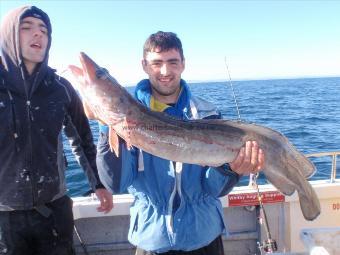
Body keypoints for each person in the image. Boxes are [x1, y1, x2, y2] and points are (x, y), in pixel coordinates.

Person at [96, 31, 265, 255]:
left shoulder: (208, 114)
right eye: (157, 63)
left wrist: (230, 170)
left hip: (204, 237)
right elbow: (116, 183)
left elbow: (214, 190)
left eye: (172, 62)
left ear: (183, 64)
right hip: (151, 239)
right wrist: (107, 125)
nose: (165, 71)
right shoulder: (128, 115)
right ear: (144, 65)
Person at [0, 5, 113, 255]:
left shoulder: (60, 88)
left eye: (44, 30)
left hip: (54, 210)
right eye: (26, 28)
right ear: (8, 35)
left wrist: (98, 183)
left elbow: (82, 139)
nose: (37, 34)